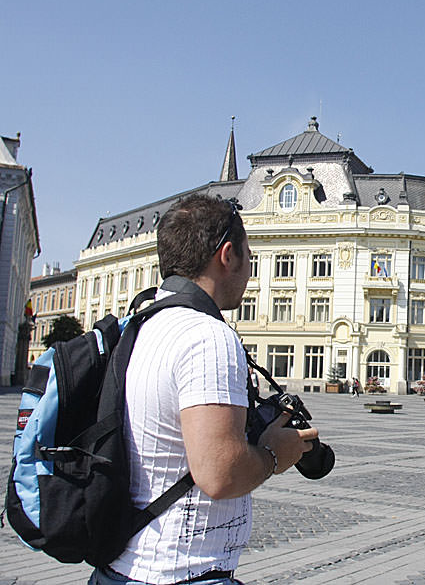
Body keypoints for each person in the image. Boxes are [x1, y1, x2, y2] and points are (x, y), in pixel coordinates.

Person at [89, 195, 317, 585]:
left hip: (124, 565)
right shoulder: (206, 337)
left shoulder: (142, 323)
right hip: (180, 569)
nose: (250, 272)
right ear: (227, 255)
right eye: (249, 258)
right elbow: (220, 474)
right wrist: (275, 454)